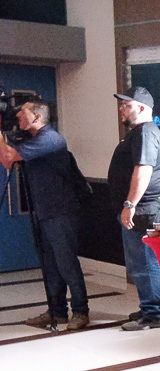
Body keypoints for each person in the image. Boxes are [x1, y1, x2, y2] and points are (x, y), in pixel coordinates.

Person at [0, 100, 90, 329]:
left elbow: (8, 157)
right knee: (50, 265)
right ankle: (57, 312)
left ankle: (81, 312)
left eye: (23, 112)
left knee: (66, 263)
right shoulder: (34, 141)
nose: (18, 115)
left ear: (38, 117)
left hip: (61, 211)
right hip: (45, 211)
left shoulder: (50, 140)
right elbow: (7, 162)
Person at [107, 86, 160, 331]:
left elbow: (143, 171)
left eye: (126, 105)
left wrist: (129, 204)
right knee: (140, 264)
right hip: (143, 209)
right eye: (121, 105)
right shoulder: (140, 133)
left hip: (145, 210)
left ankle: (155, 315)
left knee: (145, 264)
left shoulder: (145, 133)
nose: (121, 109)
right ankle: (149, 308)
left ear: (142, 108)